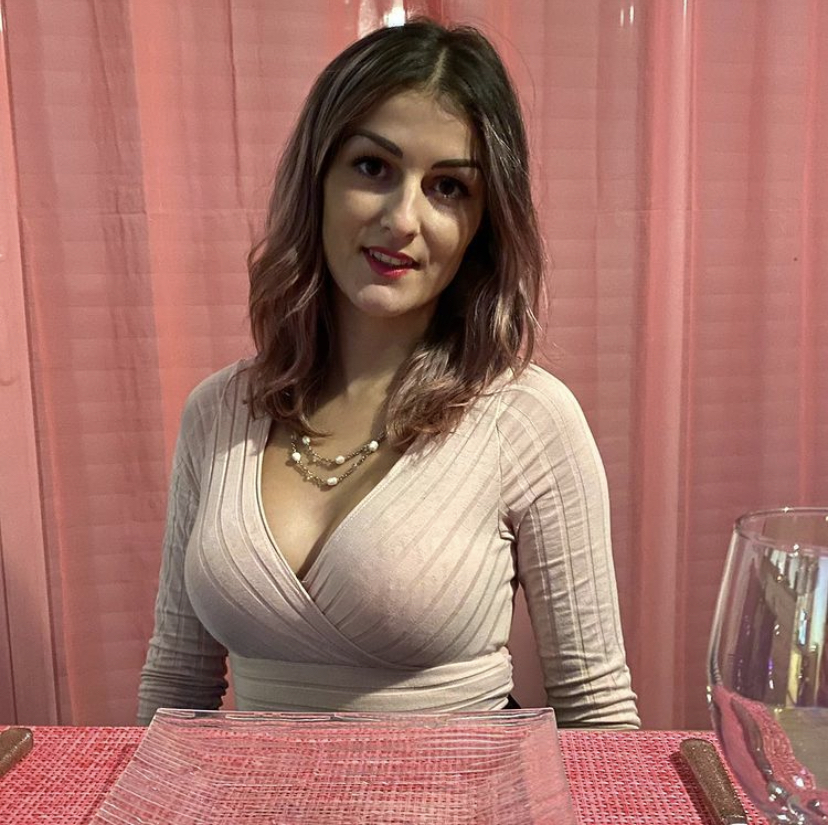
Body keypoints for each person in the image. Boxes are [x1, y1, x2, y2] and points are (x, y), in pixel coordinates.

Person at [137, 17, 640, 729]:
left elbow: (597, 711)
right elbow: (176, 685)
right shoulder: (218, 410)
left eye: (448, 188)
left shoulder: (528, 420)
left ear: (483, 224)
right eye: (373, 168)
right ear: (317, 180)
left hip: (464, 790)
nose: (404, 219)